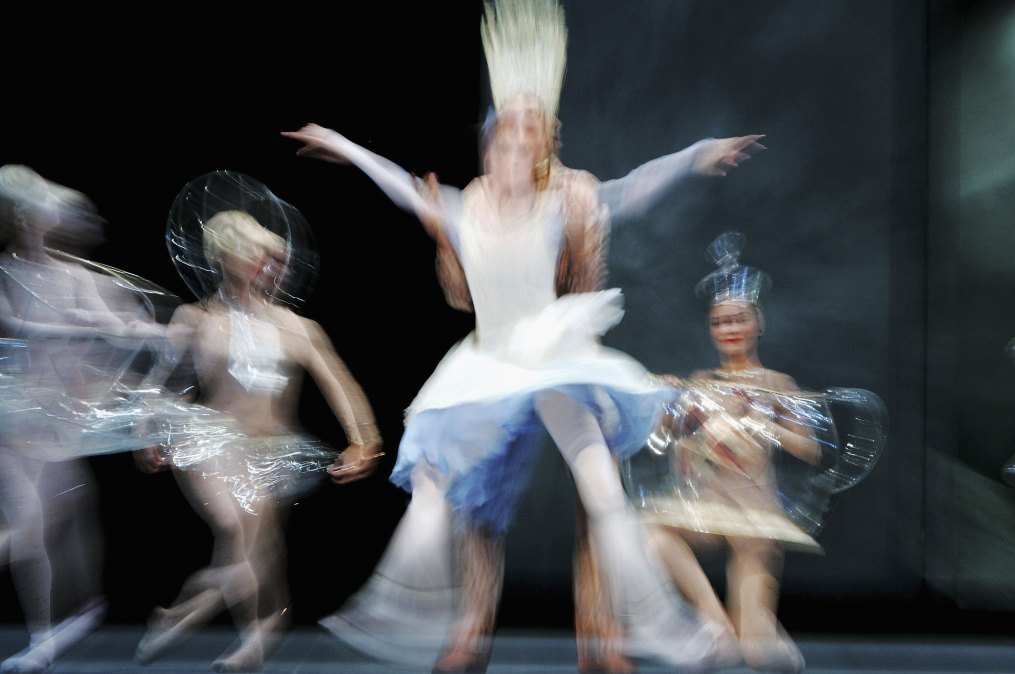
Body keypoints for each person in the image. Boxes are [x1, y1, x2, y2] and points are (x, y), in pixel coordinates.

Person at [282, 3, 764, 671]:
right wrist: (343, 145)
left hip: (553, 351)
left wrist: (692, 156)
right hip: (489, 362)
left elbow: (633, 189)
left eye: (527, 139)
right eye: (505, 138)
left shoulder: (561, 201)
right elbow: (399, 187)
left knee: (601, 491)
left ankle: (648, 630)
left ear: (542, 149)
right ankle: (428, 621)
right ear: (490, 145)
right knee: (434, 491)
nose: (514, 148)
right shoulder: (465, 202)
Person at [132, 173, 383, 673]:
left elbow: (341, 385)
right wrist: (146, 433)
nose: (269, 268)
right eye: (258, 256)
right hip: (210, 442)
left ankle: (216, 625)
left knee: (256, 553)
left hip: (270, 452)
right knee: (237, 527)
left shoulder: (296, 328)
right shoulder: (197, 320)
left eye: (273, 259)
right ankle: (232, 629)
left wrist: (363, 441)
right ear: (227, 258)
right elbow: (159, 385)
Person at [619, 231, 886, 673]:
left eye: (739, 319)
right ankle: (713, 621)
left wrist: (764, 421)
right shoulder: (701, 380)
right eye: (721, 322)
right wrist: (663, 403)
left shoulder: (777, 385)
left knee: (760, 653)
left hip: (752, 518)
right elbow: (668, 437)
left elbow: (810, 452)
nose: (730, 329)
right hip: (701, 508)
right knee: (650, 533)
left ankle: (758, 631)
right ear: (711, 329)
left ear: (757, 324)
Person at [0, 164, 165, 673]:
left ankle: (71, 618)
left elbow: (118, 324)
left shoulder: (74, 275)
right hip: (14, 421)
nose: (35, 222)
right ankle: (51, 631)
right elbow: (13, 325)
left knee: (69, 513)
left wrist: (147, 331)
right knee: (31, 523)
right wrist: (70, 327)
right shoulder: (6, 275)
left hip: (56, 421)